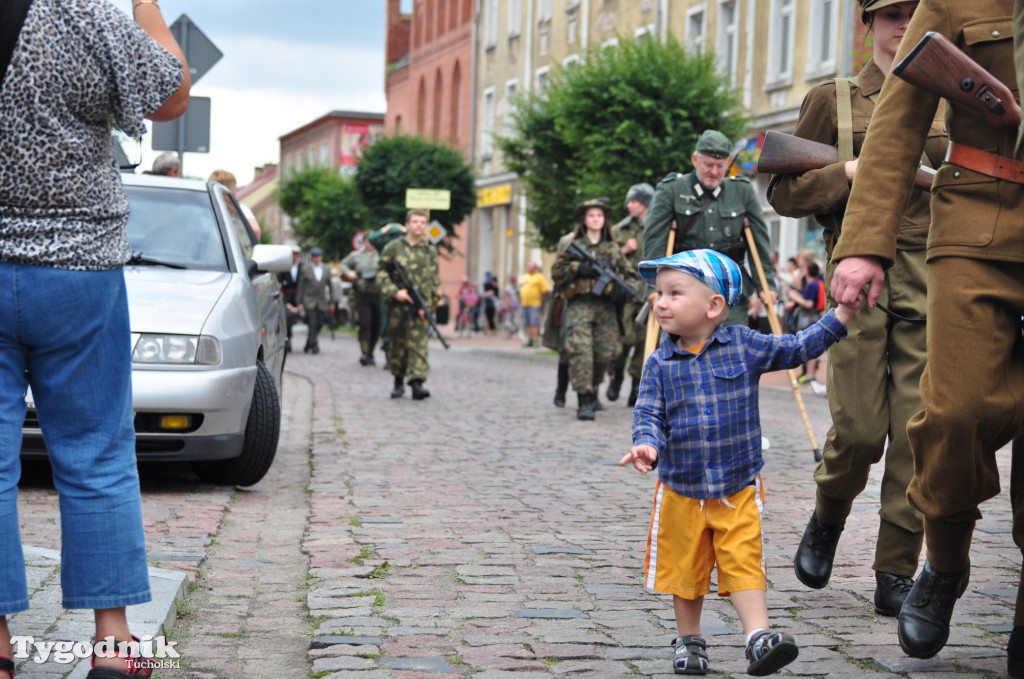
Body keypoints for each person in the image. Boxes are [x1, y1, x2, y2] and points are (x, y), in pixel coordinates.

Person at [828, 0, 1023, 667]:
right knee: (955, 411)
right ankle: (943, 557)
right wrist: (864, 245)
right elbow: (897, 124)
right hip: (976, 224)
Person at [0, 0, 190, 677]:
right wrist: (146, 3)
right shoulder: (85, 17)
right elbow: (170, 94)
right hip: (78, 270)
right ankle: (113, 641)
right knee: (96, 454)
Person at [768, 3, 942, 607]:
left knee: (919, 432)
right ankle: (827, 514)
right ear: (866, 25)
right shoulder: (833, 98)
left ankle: (896, 565)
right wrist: (845, 170)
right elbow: (782, 193)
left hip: (933, 275)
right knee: (861, 432)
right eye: (889, 14)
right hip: (854, 279)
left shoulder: (953, 97)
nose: (902, 23)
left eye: (913, 12)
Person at [619, 249, 862, 676]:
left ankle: (758, 637)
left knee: (744, 559)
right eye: (658, 293)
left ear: (714, 306)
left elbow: (797, 346)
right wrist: (647, 445)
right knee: (685, 568)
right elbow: (648, 414)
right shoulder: (659, 363)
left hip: (738, 485)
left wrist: (840, 315)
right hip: (681, 487)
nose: (660, 302)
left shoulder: (744, 345)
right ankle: (689, 639)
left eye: (674, 293)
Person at [643, 129, 778, 328]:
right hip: (683, 289)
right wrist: (653, 289)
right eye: (708, 165)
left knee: (732, 353)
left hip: (729, 290)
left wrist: (766, 285)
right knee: (682, 354)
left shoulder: (742, 191)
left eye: (720, 166)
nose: (714, 172)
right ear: (694, 160)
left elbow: (759, 242)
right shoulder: (671, 190)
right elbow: (656, 240)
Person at [551, 198, 634, 421]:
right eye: (591, 216)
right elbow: (557, 270)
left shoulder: (613, 249)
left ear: (605, 220)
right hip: (580, 303)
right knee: (581, 350)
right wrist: (579, 268)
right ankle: (584, 400)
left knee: (606, 353)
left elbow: (631, 277)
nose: (596, 219)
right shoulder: (575, 245)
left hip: (606, 306)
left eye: (599, 215)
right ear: (584, 220)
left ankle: (594, 386)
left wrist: (622, 292)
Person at [376, 209, 440, 400]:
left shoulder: (430, 251)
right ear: (408, 224)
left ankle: (417, 383)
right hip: (398, 306)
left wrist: (429, 306)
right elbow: (381, 273)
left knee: (419, 345)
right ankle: (398, 381)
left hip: (419, 306)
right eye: (415, 222)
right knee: (399, 345)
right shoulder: (394, 247)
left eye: (423, 222)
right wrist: (395, 292)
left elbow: (433, 281)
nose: (419, 225)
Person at [609, 182, 654, 406]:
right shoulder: (620, 230)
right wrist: (623, 250)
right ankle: (616, 373)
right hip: (625, 292)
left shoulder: (657, 226)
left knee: (645, 340)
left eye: (633, 201)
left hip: (648, 292)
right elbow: (605, 256)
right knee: (623, 338)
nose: (628, 205)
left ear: (645, 203)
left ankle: (636, 385)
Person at [368, 223, 407, 369]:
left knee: (389, 324)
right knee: (387, 323)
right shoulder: (386, 245)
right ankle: (390, 355)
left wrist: (387, 228)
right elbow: (372, 238)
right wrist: (397, 227)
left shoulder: (405, 242)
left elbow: (373, 237)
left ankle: (393, 356)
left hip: (403, 286)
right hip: (388, 287)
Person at [340, 234, 382, 366]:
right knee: (365, 324)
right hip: (363, 294)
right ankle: (364, 353)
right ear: (364, 241)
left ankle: (370, 352)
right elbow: (343, 264)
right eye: (369, 241)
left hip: (378, 294)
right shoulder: (356, 255)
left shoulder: (381, 254)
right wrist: (349, 273)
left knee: (377, 326)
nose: (371, 243)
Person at [296, 247, 334, 355]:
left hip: (321, 300)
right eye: (314, 257)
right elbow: (301, 287)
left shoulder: (326, 269)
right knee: (312, 323)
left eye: (318, 257)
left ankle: (309, 342)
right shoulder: (305, 269)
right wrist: (299, 302)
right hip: (309, 300)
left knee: (320, 323)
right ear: (312, 258)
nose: (316, 259)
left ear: (321, 257)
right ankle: (314, 345)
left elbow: (330, 287)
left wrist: (332, 302)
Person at [208, 169, 262, 241]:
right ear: (232, 192)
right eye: (233, 188)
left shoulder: (241, 209)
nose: (235, 192)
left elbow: (255, 232)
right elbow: (256, 232)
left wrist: (237, 211)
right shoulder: (241, 209)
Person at [278, 245, 304, 353]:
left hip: (298, 295)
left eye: (297, 254)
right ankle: (288, 341)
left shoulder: (302, 267)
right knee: (287, 319)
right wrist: (284, 301)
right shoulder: (283, 267)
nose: (295, 257)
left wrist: (301, 302)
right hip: (287, 295)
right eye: (293, 254)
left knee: (295, 319)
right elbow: (280, 284)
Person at [519, 262, 550, 348]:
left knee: (534, 322)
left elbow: (545, 290)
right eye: (528, 267)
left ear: (535, 268)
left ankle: (535, 339)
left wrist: (542, 301)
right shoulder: (525, 276)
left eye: (531, 267)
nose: (529, 269)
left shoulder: (539, 277)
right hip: (525, 303)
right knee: (527, 322)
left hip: (535, 304)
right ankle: (530, 339)